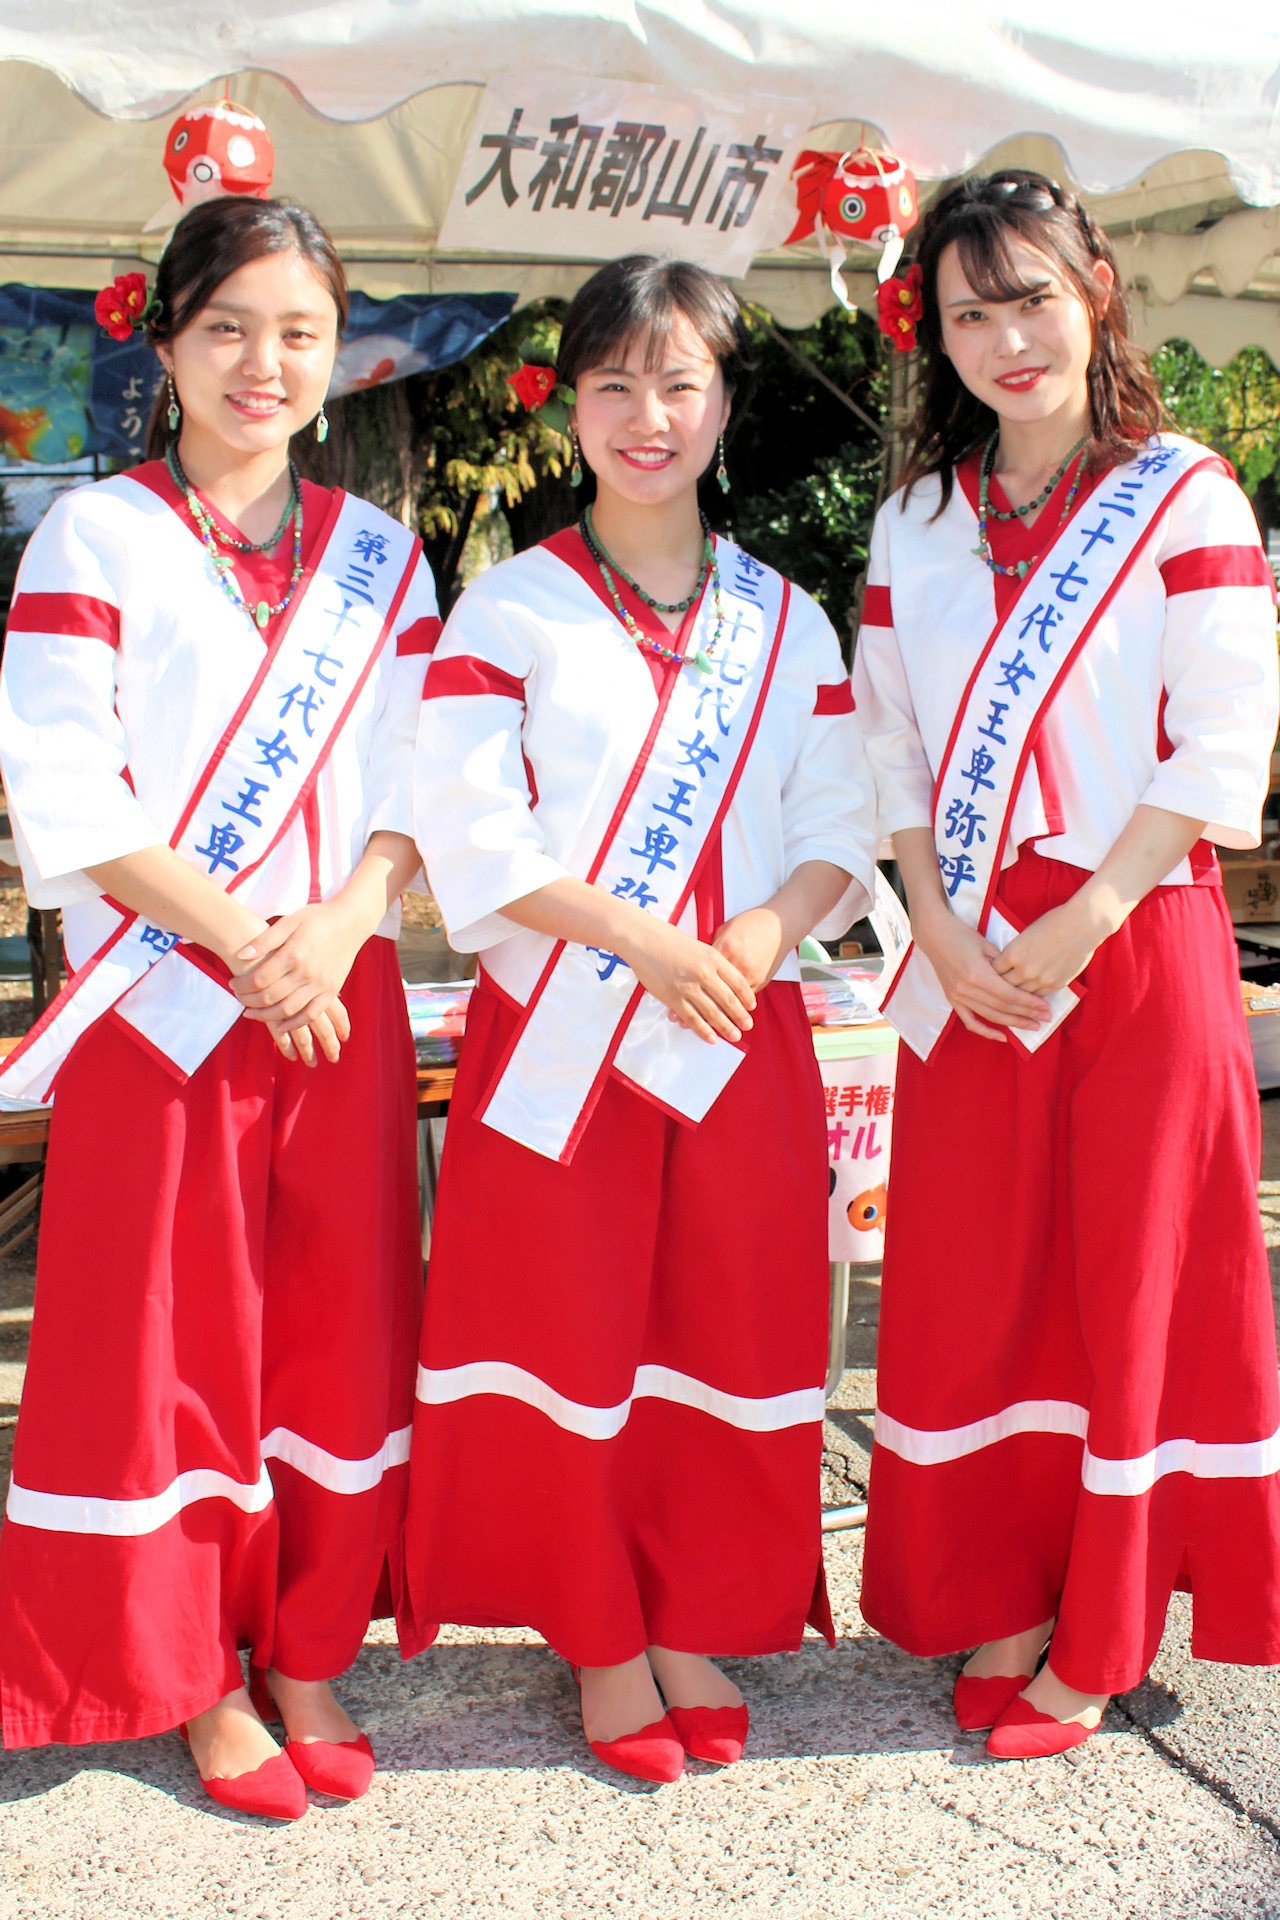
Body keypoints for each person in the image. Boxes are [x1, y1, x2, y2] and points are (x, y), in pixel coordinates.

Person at [399, 256, 877, 1782]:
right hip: (565, 1043)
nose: (646, 415)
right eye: (613, 383)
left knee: (723, 1335)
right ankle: (599, 1632)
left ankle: (689, 1612)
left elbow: (839, 819)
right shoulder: (512, 603)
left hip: (737, 1029)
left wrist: (756, 928)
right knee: (567, 1341)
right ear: (571, 401)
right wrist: (645, 942)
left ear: (725, 400)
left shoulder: (786, 619)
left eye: (679, 382)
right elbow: (477, 831)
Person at [0, 196, 438, 1817]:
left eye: (300, 334)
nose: (265, 364)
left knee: (337, 1328)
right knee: (168, 1340)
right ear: (168, 342)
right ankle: (192, 1673)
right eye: (230, 329)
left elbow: (421, 777)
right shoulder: (94, 536)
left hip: (340, 985)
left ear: (337, 359)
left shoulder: (382, 553)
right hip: (167, 998)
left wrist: (339, 918)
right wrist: (251, 939)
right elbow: (68, 780)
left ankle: (307, 1642)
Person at [852, 169, 1280, 1758]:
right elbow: (889, 751)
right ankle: (1004, 1593)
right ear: (934, 332)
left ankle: (1097, 1641)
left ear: (1096, 285)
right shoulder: (916, 519)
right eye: (970, 310)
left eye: (1031, 294)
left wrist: (1084, 917)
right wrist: (940, 930)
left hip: (1132, 935)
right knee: (981, 1278)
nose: (1007, 336)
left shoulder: (1188, 493)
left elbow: (1224, 742)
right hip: (964, 948)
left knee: (1130, 1287)